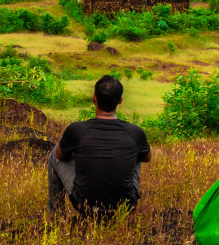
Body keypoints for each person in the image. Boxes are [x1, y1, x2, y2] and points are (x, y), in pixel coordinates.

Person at [48, 74, 150, 214]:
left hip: (85, 206)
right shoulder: (135, 132)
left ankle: (56, 214)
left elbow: (61, 155)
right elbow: (147, 158)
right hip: (125, 208)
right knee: (138, 152)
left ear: (93, 98)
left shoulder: (77, 130)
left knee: (55, 152)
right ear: (120, 100)